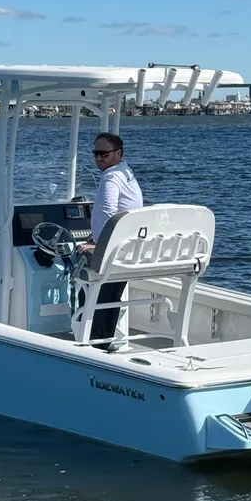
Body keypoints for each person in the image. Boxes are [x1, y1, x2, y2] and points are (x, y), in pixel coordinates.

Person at [80, 132, 143, 348]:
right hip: (127, 248)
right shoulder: (125, 172)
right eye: (96, 154)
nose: (99, 158)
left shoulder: (111, 177)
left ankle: (91, 340)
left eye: (104, 154)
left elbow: (108, 211)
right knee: (111, 294)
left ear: (119, 153)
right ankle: (103, 340)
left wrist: (98, 244)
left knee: (76, 267)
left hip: (112, 249)